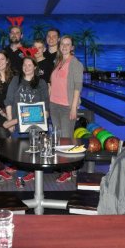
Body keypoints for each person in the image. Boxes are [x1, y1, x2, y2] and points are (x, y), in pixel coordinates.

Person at [4, 56, 50, 187]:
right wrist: (10, 121)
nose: (27, 67)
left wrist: (41, 118)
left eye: (30, 65)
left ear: (35, 67)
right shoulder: (16, 80)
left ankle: (20, 176)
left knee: (30, 150)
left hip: (34, 124)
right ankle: (25, 172)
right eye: (25, 65)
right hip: (18, 123)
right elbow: (9, 101)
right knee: (19, 151)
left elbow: (45, 107)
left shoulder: (41, 83)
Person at [49, 35, 84, 183]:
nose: (64, 46)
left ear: (72, 47)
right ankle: (67, 166)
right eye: (62, 44)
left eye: (67, 44)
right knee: (59, 138)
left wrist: (73, 107)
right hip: (54, 105)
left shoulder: (75, 63)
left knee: (66, 138)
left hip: (66, 106)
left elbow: (77, 87)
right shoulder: (58, 61)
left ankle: (68, 171)